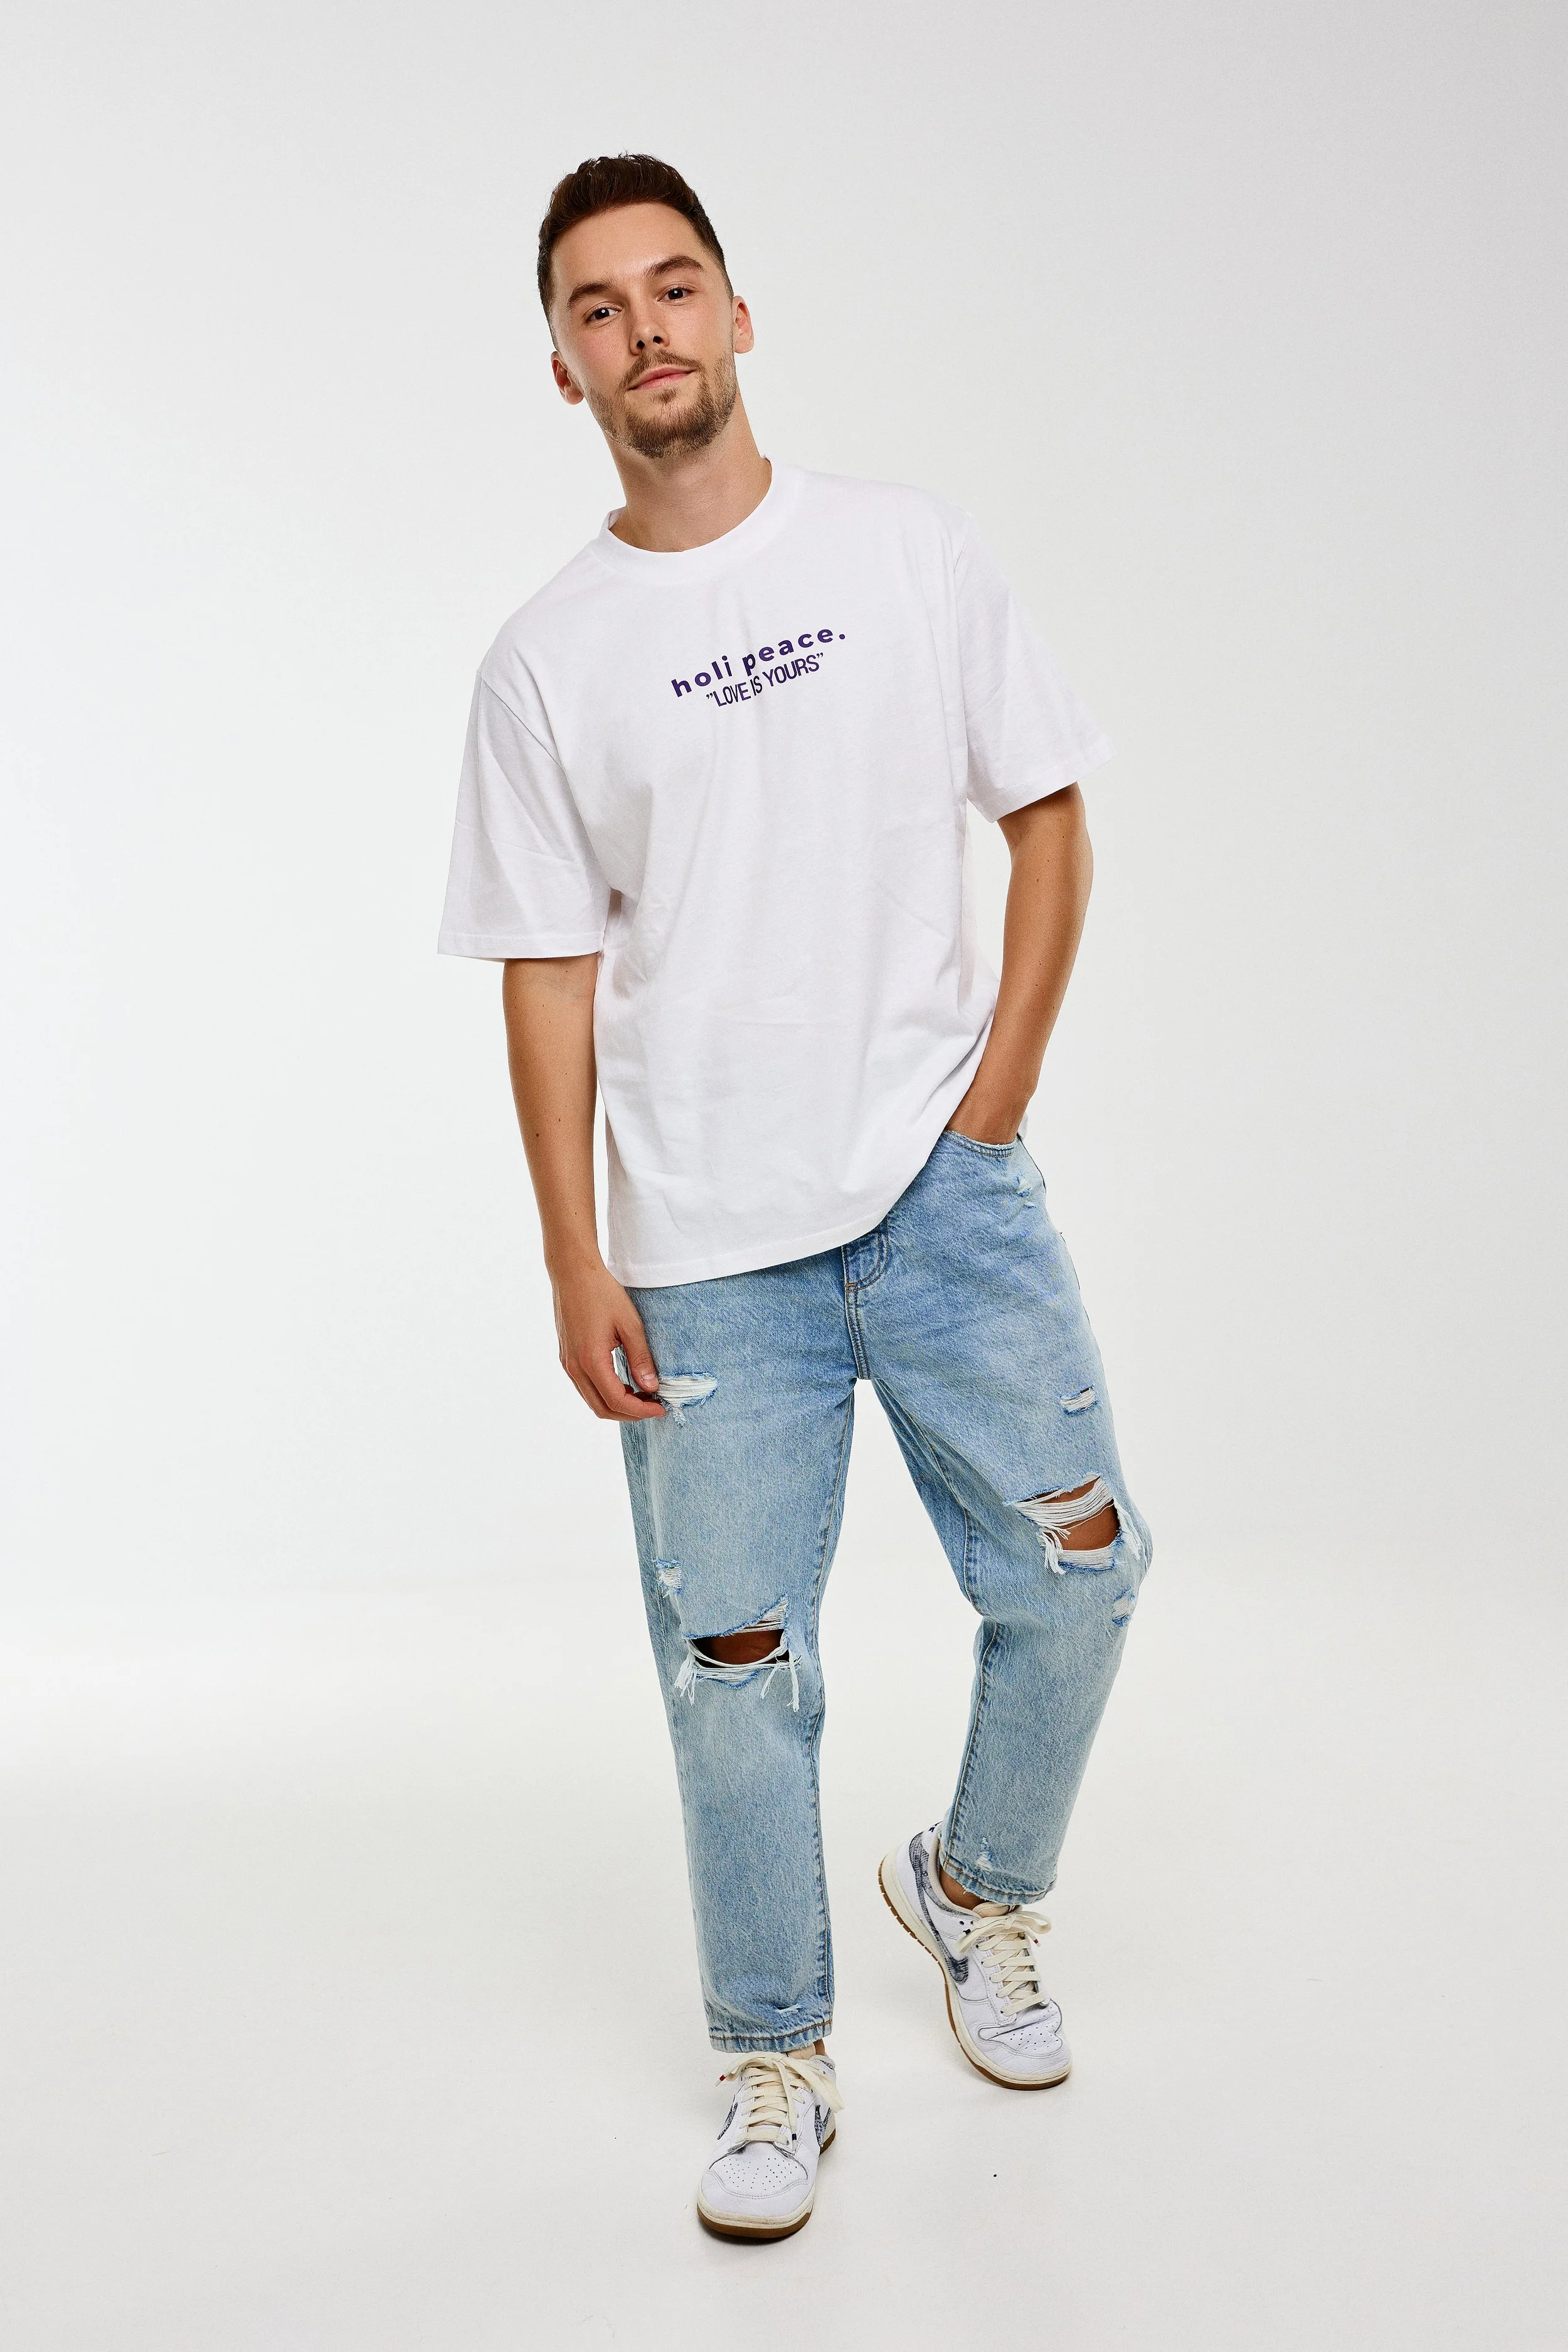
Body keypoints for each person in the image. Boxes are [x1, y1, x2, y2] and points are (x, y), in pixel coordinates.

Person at [438, 153, 1150, 2243]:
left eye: (674, 287)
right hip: (699, 1252)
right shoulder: (545, 660)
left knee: (1083, 1567)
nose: (642, 327)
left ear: (739, 317)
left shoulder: (906, 552)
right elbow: (548, 977)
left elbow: (1046, 818)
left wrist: (992, 1104)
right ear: (562, 368)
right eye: (596, 307)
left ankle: (975, 1887)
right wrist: (572, 1254)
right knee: (735, 1665)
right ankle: (775, 2052)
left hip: (940, 1191)